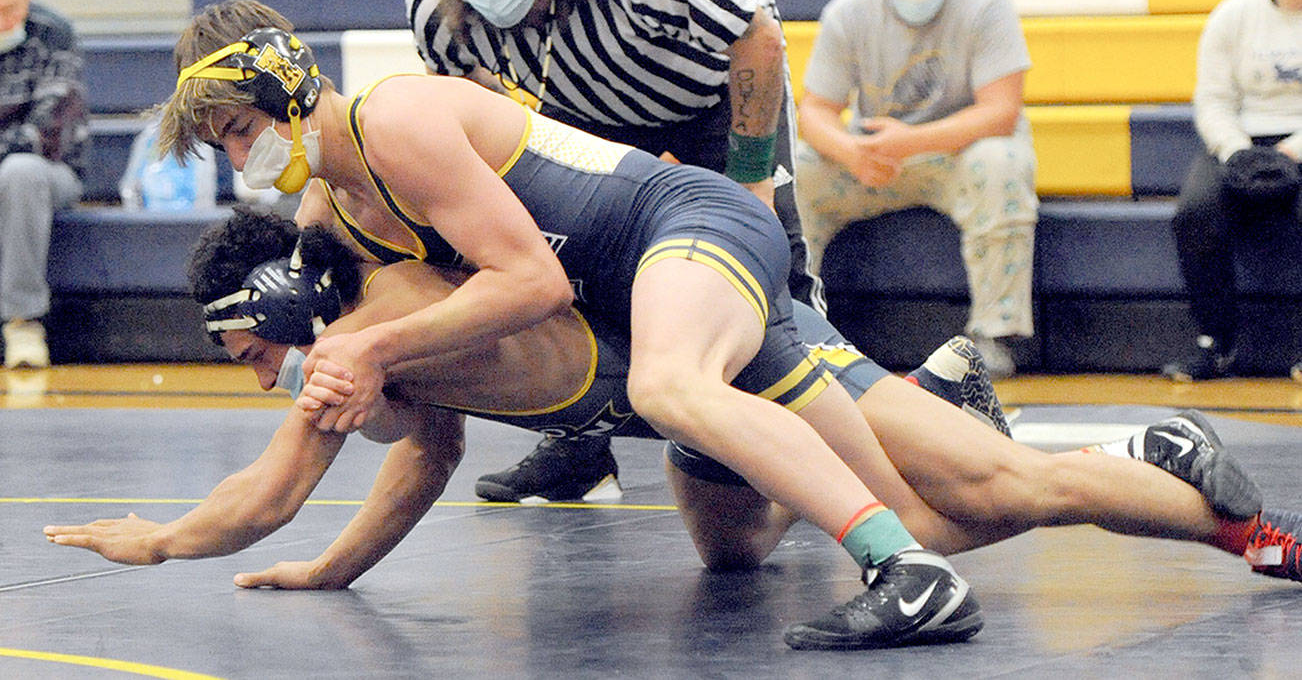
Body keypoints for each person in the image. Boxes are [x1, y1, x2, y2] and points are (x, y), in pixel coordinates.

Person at [43, 208, 1302, 642]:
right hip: (693, 413)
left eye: (259, 353)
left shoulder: (402, 319)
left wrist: (153, 542)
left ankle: (1172, 474)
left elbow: (269, 485)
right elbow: (417, 460)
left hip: (744, 349)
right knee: (737, 554)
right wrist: (330, 566)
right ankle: (960, 408)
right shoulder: (390, 364)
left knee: (968, 508)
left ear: (291, 305)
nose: (274, 387)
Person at [150, 0, 987, 650]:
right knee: (769, 540)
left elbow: (530, 280)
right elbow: (426, 441)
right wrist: (333, 567)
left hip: (680, 254)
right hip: (627, 298)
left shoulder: (392, 132)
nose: (236, 159)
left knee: (695, 398)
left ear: (282, 84)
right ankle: (968, 429)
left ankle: (942, 539)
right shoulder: (338, 215)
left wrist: (364, 349)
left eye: (237, 130)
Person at [404, 0, 821, 501]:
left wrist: (751, 185)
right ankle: (579, 447)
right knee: (568, 265)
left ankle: (821, 430)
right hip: (575, 105)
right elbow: (460, 112)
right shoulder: (438, 11)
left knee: (767, 255)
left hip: (709, 90)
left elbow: (757, 41)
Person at [793, 0, 1037, 379]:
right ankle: (795, 325)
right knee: (800, 170)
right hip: (877, 159)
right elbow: (814, 111)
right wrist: (850, 153)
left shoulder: (986, 4)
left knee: (1003, 161)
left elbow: (1002, 112)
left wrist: (911, 141)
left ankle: (995, 335)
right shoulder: (848, 12)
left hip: (959, 153)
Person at [1163, 0, 1302, 382]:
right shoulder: (1234, 14)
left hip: (1299, 144)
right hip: (1240, 141)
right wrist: (1237, 151)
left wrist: (1291, 153)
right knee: (1194, 214)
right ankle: (1215, 341)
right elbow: (1213, 98)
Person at [0, 0, 87, 370]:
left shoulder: (55, 33)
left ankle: (23, 321)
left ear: (27, 1)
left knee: (19, 173)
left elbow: (47, 129)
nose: (2, 22)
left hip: (51, 169)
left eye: (8, 10)